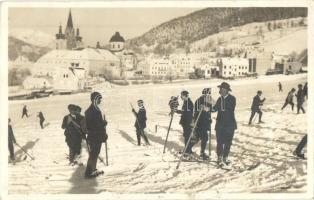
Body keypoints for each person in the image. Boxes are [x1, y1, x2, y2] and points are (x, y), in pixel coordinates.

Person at [213, 82, 237, 167]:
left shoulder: (232, 98)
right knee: (219, 142)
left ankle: (225, 158)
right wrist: (208, 108)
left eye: (223, 89)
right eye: (220, 89)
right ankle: (219, 158)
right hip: (219, 124)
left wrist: (217, 105)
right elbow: (215, 109)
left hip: (229, 124)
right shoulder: (220, 99)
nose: (221, 91)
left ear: (227, 90)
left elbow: (228, 108)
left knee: (228, 142)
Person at [84, 92, 108, 178]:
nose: (100, 101)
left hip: (97, 136)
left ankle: (93, 170)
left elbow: (97, 124)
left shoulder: (95, 109)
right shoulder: (91, 111)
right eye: (99, 99)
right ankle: (88, 173)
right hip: (94, 136)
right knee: (93, 154)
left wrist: (103, 134)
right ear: (95, 100)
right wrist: (103, 124)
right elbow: (92, 126)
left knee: (95, 153)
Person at [193, 88, 213, 160]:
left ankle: (201, 153)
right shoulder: (199, 101)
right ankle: (200, 153)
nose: (208, 95)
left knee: (202, 138)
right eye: (207, 94)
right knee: (202, 138)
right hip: (200, 122)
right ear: (204, 94)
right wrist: (202, 109)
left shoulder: (209, 100)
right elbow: (195, 112)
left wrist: (209, 115)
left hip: (206, 122)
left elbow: (212, 109)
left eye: (209, 94)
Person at [176, 90, 194, 157]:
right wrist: (179, 111)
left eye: (182, 95)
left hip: (188, 122)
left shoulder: (189, 103)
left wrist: (179, 111)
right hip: (185, 122)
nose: (181, 97)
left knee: (187, 136)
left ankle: (188, 151)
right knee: (186, 136)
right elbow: (184, 112)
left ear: (186, 95)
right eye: (181, 95)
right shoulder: (185, 102)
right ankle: (188, 150)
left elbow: (188, 113)